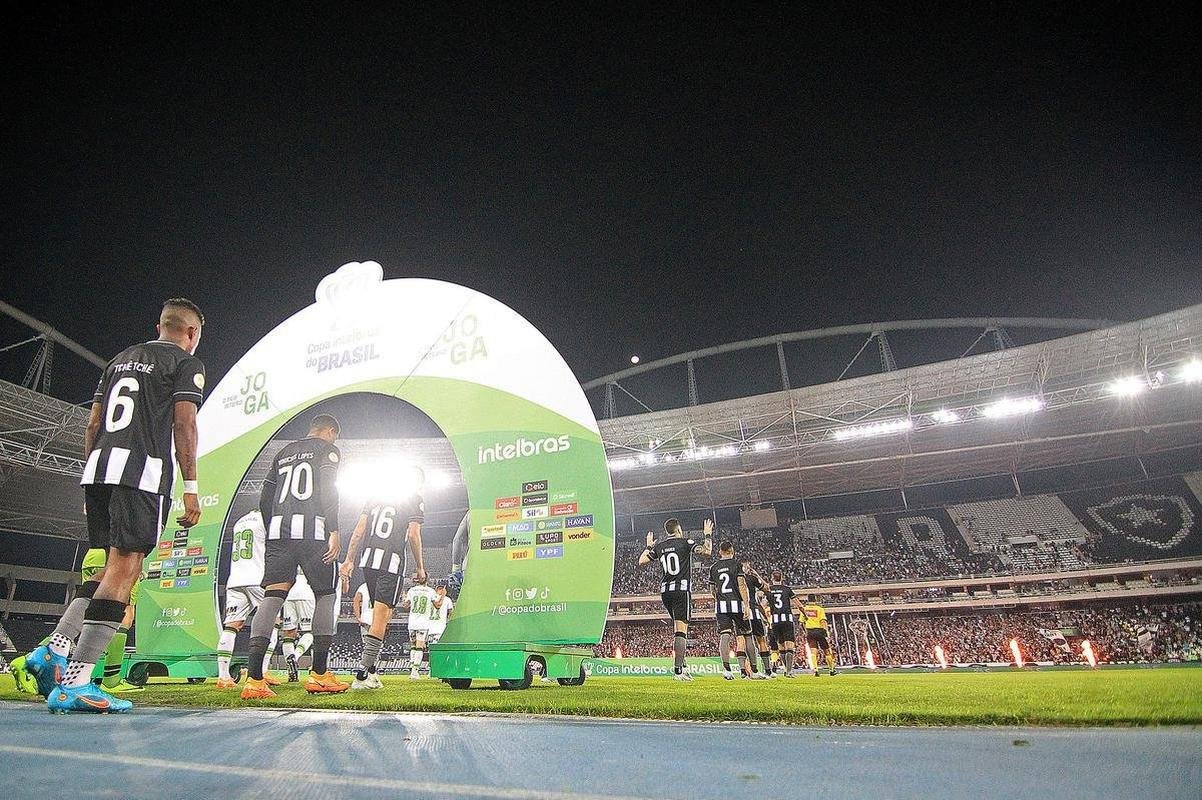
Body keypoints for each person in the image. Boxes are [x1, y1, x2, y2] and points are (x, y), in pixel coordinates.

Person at [35, 299, 205, 714]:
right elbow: (184, 424)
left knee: (110, 570)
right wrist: (191, 487)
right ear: (192, 334)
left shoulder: (119, 360)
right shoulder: (185, 364)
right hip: (140, 474)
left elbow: (93, 424)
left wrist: (92, 476)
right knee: (125, 573)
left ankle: (54, 649)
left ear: (159, 325)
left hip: (99, 471)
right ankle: (76, 681)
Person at [241, 413, 346, 699]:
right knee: (325, 594)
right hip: (314, 532)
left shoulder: (283, 452)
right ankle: (320, 674)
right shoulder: (328, 450)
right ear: (330, 431)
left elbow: (264, 499)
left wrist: (272, 525)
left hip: (278, 533)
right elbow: (328, 489)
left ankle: (253, 680)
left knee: (273, 596)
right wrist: (334, 529)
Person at [339, 473, 426, 690]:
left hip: (368, 561)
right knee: (381, 618)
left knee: (380, 617)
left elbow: (359, 531)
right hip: (391, 563)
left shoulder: (374, 497)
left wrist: (349, 559)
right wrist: (420, 567)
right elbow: (414, 534)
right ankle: (361, 676)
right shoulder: (413, 498)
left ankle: (371, 672)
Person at [637, 518, 713, 679]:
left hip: (665, 593)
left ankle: (683, 667)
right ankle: (678, 671)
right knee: (681, 631)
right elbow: (707, 551)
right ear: (679, 529)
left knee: (678, 630)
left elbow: (642, 560)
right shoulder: (686, 542)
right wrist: (708, 535)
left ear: (667, 532)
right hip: (681, 590)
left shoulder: (660, 546)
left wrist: (649, 545)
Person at [215, 509, 280, 689]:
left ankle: (223, 676)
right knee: (273, 621)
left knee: (231, 625)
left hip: (235, 578)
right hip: (257, 577)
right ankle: (263, 671)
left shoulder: (240, 521)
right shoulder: (266, 519)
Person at [709, 541, 760, 680]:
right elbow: (741, 585)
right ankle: (754, 671)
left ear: (720, 551)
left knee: (725, 636)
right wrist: (746, 605)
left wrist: (718, 599)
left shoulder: (714, 567)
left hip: (721, 606)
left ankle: (726, 670)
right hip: (737, 604)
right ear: (732, 551)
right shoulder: (736, 565)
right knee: (748, 635)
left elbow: (712, 589)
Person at [280, 569, 316, 681]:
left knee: (288, 633)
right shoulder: (313, 553)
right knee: (309, 632)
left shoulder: (288, 552)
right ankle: (294, 656)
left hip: (289, 593)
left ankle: (292, 673)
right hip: (307, 593)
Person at [402, 575, 437, 680]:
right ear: (427, 580)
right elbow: (437, 605)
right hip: (423, 623)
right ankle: (415, 671)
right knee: (419, 647)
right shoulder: (430, 591)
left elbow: (405, 606)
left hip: (412, 622)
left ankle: (412, 670)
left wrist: (404, 596)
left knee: (413, 646)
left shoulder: (411, 590)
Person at [741, 561, 772, 677]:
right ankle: (768, 670)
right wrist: (757, 575)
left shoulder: (735, 579)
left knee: (743, 641)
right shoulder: (752, 578)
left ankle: (745, 671)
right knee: (761, 641)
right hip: (753, 611)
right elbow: (767, 588)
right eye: (747, 566)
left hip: (742, 613)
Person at [765, 569, 798, 677]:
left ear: (771, 578)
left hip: (774, 622)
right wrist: (804, 613)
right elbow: (798, 603)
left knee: (781, 648)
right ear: (782, 578)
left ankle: (785, 669)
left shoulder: (769, 590)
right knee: (789, 647)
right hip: (787, 620)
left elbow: (763, 604)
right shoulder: (787, 589)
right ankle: (789, 671)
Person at [800, 593, 837, 676]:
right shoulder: (819, 609)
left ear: (808, 600)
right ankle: (831, 670)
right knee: (826, 651)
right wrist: (826, 632)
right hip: (819, 631)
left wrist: (805, 631)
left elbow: (801, 623)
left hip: (810, 631)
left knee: (813, 652)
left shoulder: (804, 609)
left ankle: (815, 670)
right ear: (815, 600)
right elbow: (823, 621)